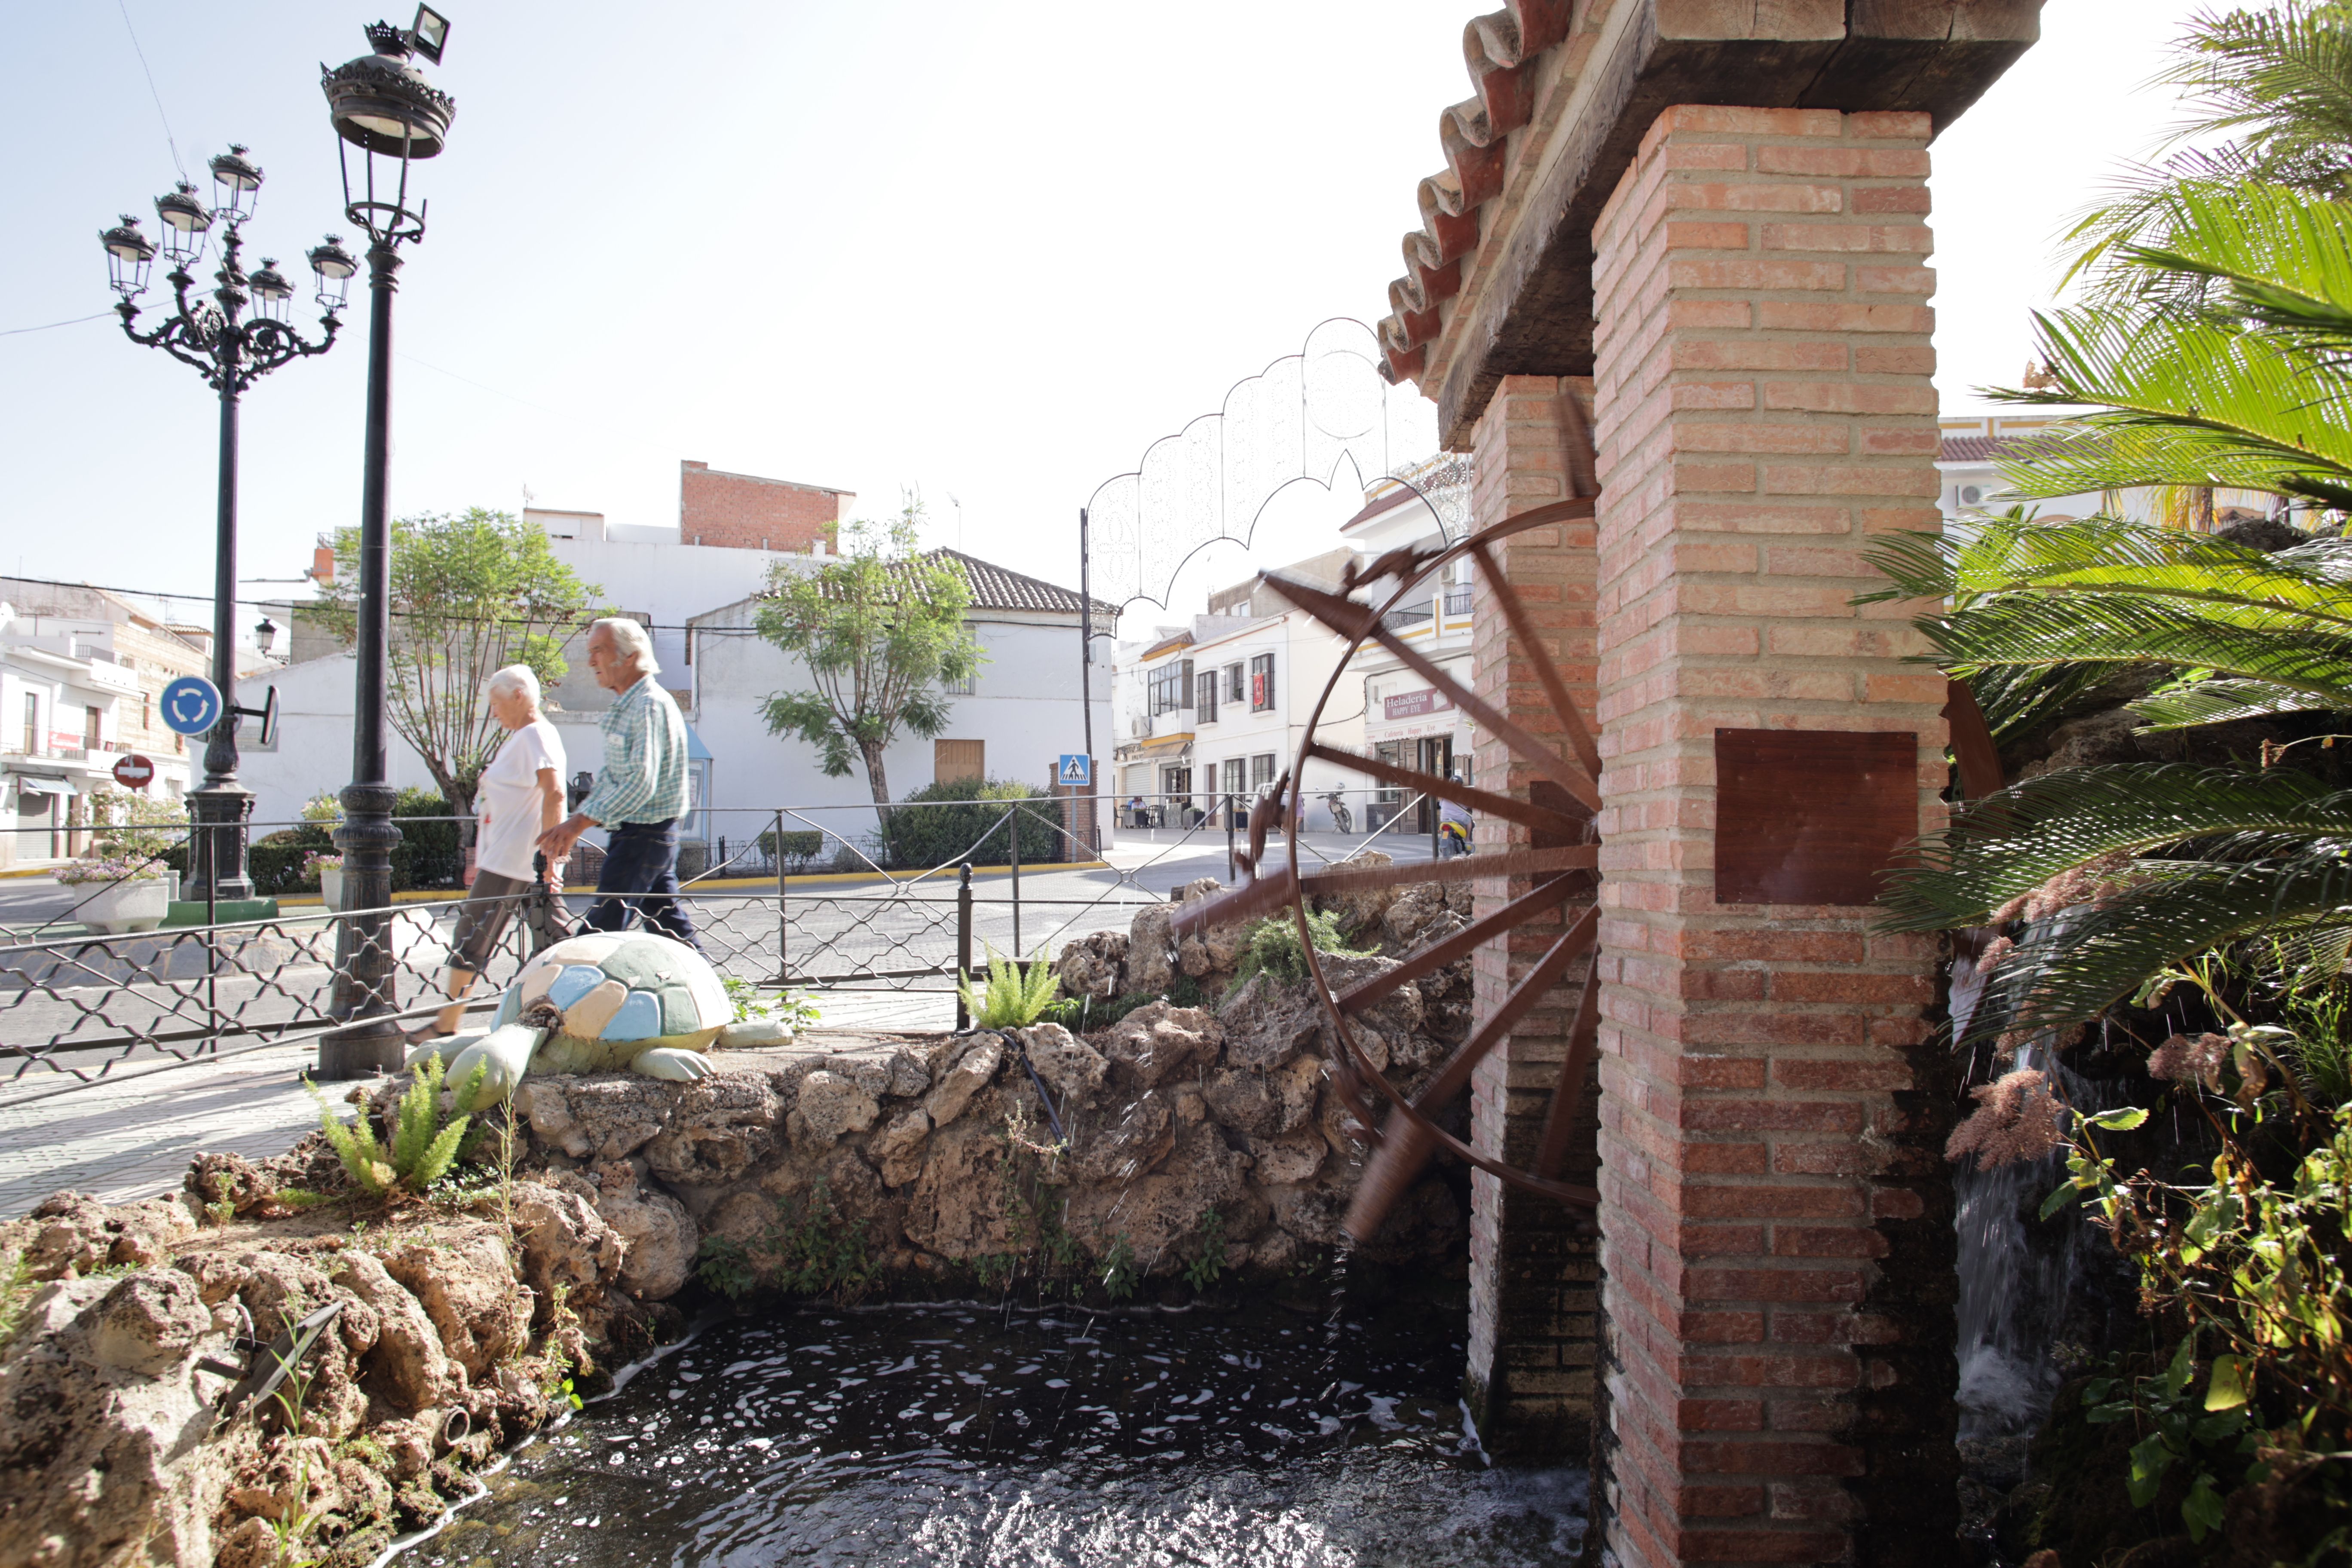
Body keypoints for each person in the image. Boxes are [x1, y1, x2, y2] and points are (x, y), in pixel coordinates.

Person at [417, 665, 570, 1040]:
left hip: (515, 862)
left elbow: (555, 793)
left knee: (472, 936)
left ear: (520, 696)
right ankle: (579, 1010)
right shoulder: (525, 737)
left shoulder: (535, 734)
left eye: (497, 703)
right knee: (556, 939)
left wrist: (551, 861)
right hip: (511, 860)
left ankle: (446, 1025)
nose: (493, 712)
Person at [537, 617, 699, 948]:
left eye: (599, 650)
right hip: (641, 832)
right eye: (591, 651)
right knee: (671, 931)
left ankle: (573, 995)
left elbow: (641, 782)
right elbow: (614, 777)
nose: (591, 660)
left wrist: (578, 823)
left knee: (601, 932)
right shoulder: (627, 706)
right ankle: (715, 994)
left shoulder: (648, 706)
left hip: (646, 833)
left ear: (629, 656)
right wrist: (577, 821)